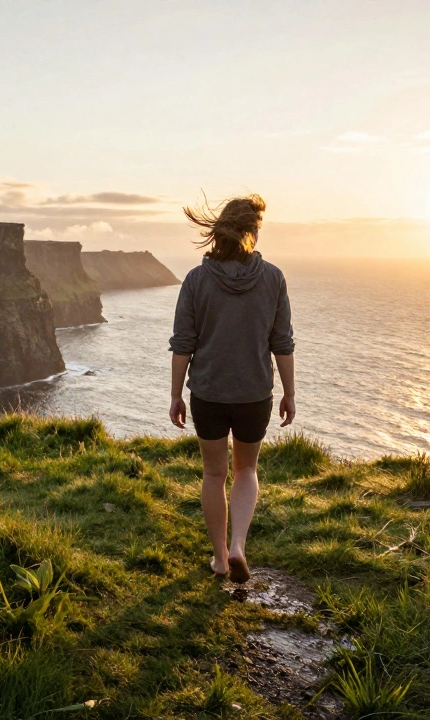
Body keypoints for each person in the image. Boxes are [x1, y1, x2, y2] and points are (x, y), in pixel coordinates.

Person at [168, 194, 295, 584]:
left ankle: (221, 559)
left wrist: (175, 395)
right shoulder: (273, 278)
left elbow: (183, 344)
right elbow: (282, 343)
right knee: (246, 469)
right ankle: (238, 544)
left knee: (213, 474)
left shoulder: (196, 279)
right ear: (253, 231)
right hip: (254, 393)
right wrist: (290, 392)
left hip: (208, 392)